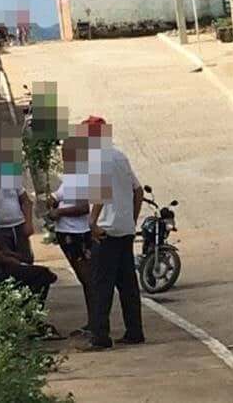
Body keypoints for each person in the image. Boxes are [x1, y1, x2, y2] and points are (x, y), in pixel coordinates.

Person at [83, 116, 145, 350]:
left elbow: (100, 194)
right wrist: (132, 220)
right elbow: (138, 191)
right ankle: (135, 331)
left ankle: (100, 336)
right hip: (125, 229)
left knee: (101, 285)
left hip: (106, 230)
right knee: (128, 284)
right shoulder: (120, 156)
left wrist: (92, 222)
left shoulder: (96, 159)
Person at [49, 179, 93, 337]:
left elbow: (83, 207)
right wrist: (53, 201)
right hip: (69, 233)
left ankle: (96, 323)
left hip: (76, 234)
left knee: (88, 279)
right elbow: (58, 196)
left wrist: (59, 212)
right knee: (86, 279)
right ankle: (94, 322)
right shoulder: (70, 178)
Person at [0, 187, 35, 264]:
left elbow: (26, 201)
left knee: (26, 259)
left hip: (19, 227)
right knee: (7, 261)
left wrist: (29, 223)